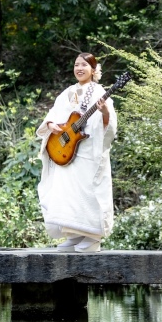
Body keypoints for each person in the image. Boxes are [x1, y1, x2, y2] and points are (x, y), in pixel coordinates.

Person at [36, 52, 118, 253]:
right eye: (76, 65)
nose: (79, 68)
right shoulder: (68, 92)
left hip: (89, 151)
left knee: (88, 192)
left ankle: (92, 237)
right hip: (67, 150)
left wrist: (105, 113)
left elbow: (110, 126)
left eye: (84, 65)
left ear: (93, 69)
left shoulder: (99, 92)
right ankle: (74, 235)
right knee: (67, 193)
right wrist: (52, 124)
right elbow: (53, 115)